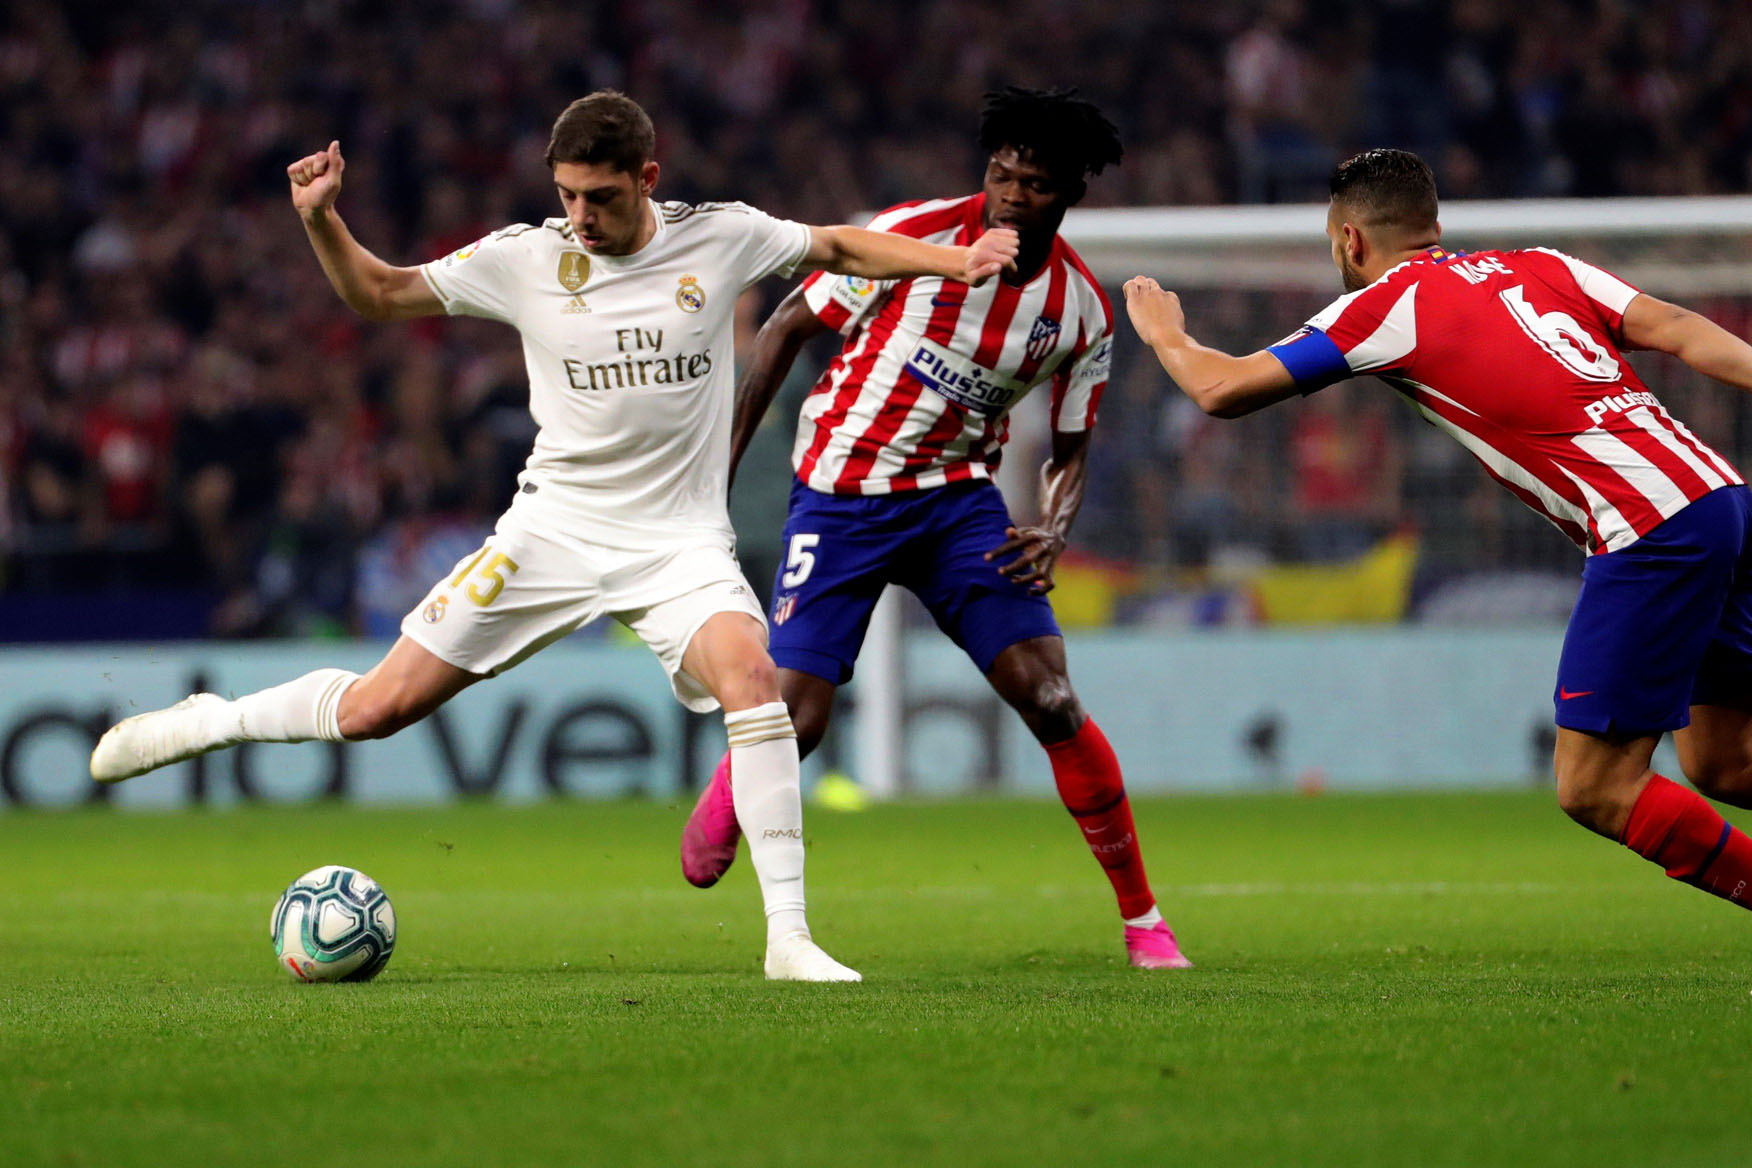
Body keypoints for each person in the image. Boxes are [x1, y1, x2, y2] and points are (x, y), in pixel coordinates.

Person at [89, 91, 1020, 982]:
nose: (581, 215)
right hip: (553, 530)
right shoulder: (524, 259)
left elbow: (838, 246)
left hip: (677, 542)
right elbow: (378, 293)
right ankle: (212, 722)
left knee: (753, 679)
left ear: (647, 177)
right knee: (378, 710)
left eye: (602, 197)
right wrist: (320, 220)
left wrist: (957, 260)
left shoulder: (719, 235)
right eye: (567, 195)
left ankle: (790, 939)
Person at [1123, 147, 1752, 916]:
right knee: (1724, 763)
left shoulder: (1384, 304)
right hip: (1721, 498)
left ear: (1351, 241)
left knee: (1594, 786)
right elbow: (1683, 327)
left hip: (1650, 525)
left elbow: (1219, 388)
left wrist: (1163, 333)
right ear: (1435, 224)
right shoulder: (1542, 266)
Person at [680, 87, 1191, 970]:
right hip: (840, 493)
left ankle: (1144, 920)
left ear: (1067, 191)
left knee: (1052, 696)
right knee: (796, 721)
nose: (1009, 195)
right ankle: (734, 785)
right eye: (1000, 174)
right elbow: (783, 330)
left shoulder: (1078, 312)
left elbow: (1071, 445)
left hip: (958, 506)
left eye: (1032, 183)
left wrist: (1055, 528)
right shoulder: (914, 235)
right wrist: (715, 475)